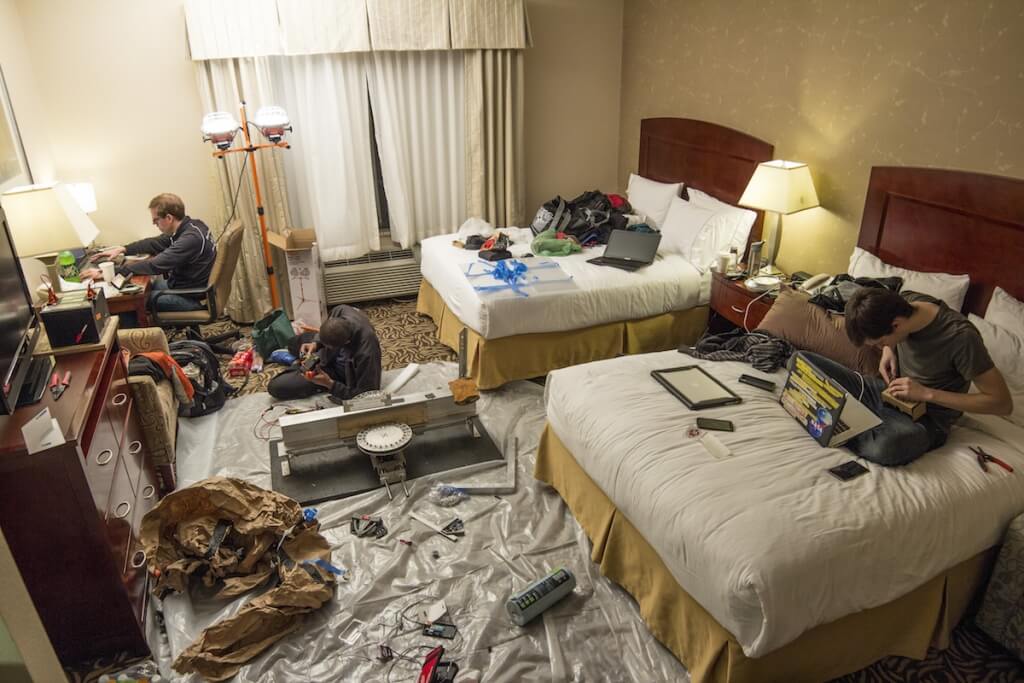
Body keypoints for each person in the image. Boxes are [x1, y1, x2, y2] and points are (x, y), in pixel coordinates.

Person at [803, 287, 1012, 466]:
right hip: (888, 394)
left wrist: (927, 393)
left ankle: (840, 421)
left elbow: (1001, 403)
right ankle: (855, 422)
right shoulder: (906, 300)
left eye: (880, 343)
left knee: (886, 448)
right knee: (802, 360)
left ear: (896, 325)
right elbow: (890, 335)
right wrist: (889, 350)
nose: (879, 348)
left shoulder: (961, 338)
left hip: (926, 420)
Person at [81, 193, 217, 313]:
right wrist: (124, 249)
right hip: (190, 285)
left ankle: (142, 339)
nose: (154, 224)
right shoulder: (193, 226)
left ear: (169, 218)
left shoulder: (189, 239)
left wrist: (107, 272)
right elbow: (154, 243)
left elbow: (154, 266)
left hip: (192, 294)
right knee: (147, 286)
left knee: (134, 300)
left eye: (155, 220)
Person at [267, 305, 382, 401]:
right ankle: (299, 361)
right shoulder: (341, 310)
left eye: (327, 346)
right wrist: (316, 343)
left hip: (338, 372)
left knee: (275, 387)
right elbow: (325, 329)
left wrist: (329, 384)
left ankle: (296, 364)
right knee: (292, 343)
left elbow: (366, 397)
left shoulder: (367, 353)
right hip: (330, 353)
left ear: (347, 342)